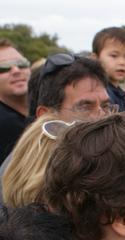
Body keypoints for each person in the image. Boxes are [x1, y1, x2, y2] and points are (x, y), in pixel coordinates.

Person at [0, 54, 113, 194]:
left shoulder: (108, 156)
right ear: (45, 116)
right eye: (85, 107)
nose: (102, 117)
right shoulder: (30, 176)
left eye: (106, 106)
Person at [0, 39, 30, 163]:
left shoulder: (47, 107)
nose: (16, 70)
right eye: (4, 68)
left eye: (21, 64)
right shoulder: (5, 123)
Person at [91, 27, 125, 112]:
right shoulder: (98, 92)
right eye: (114, 56)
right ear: (95, 58)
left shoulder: (122, 93)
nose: (122, 62)